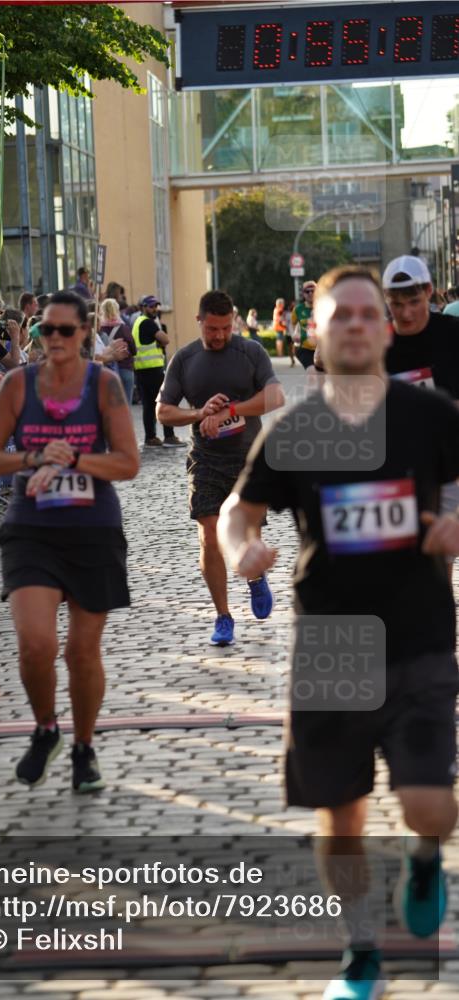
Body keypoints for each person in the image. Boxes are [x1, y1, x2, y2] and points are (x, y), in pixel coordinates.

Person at [217, 265, 459, 1000]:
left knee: (430, 808)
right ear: (314, 335)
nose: (355, 324)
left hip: (419, 634)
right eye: (339, 315)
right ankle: (359, 954)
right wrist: (240, 549)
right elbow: (239, 510)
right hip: (330, 643)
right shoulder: (296, 430)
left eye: (367, 313)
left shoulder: (430, 416)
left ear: (385, 330)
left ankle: (422, 858)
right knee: (341, 816)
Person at [0, 291, 139, 793]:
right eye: (47, 330)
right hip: (32, 530)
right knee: (36, 645)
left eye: (66, 331)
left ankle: (84, 747)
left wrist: (72, 460)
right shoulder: (19, 386)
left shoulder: (104, 385)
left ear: (85, 332)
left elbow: (128, 462)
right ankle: (46, 726)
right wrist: (34, 457)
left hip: (92, 530)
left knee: (82, 653)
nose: (56, 339)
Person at [156, 289, 283, 646]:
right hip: (206, 460)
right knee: (209, 535)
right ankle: (223, 616)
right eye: (213, 329)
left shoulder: (250, 352)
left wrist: (229, 411)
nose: (220, 335)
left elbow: (276, 397)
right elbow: (162, 411)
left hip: (248, 458)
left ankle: (255, 578)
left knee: (247, 534)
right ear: (199, 321)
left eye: (226, 328)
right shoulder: (184, 359)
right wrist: (200, 414)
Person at [383, 255, 459, 582]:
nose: (406, 313)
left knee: (439, 557)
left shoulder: (452, 334)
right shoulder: (378, 342)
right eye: (397, 304)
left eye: (414, 301)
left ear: (429, 291)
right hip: (398, 467)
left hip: (450, 467)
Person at [132, 295, 183, 448]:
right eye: (151, 306)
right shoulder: (148, 323)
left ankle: (150, 437)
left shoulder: (137, 322)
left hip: (141, 370)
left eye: (156, 306)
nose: (155, 309)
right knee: (165, 401)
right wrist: (160, 340)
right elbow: (165, 339)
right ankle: (169, 436)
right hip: (153, 370)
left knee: (148, 405)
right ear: (144, 307)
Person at [98, 297, 137, 404]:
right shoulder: (124, 328)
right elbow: (134, 350)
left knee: (110, 405)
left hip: (107, 370)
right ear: (117, 310)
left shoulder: (99, 329)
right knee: (126, 404)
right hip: (125, 369)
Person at [291, 280, 318, 369]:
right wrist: (294, 334)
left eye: (313, 291)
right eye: (307, 291)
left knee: (321, 378)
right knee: (312, 373)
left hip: (322, 349)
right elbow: (292, 324)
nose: (310, 293)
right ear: (303, 293)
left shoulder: (325, 306)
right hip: (305, 349)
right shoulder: (298, 309)